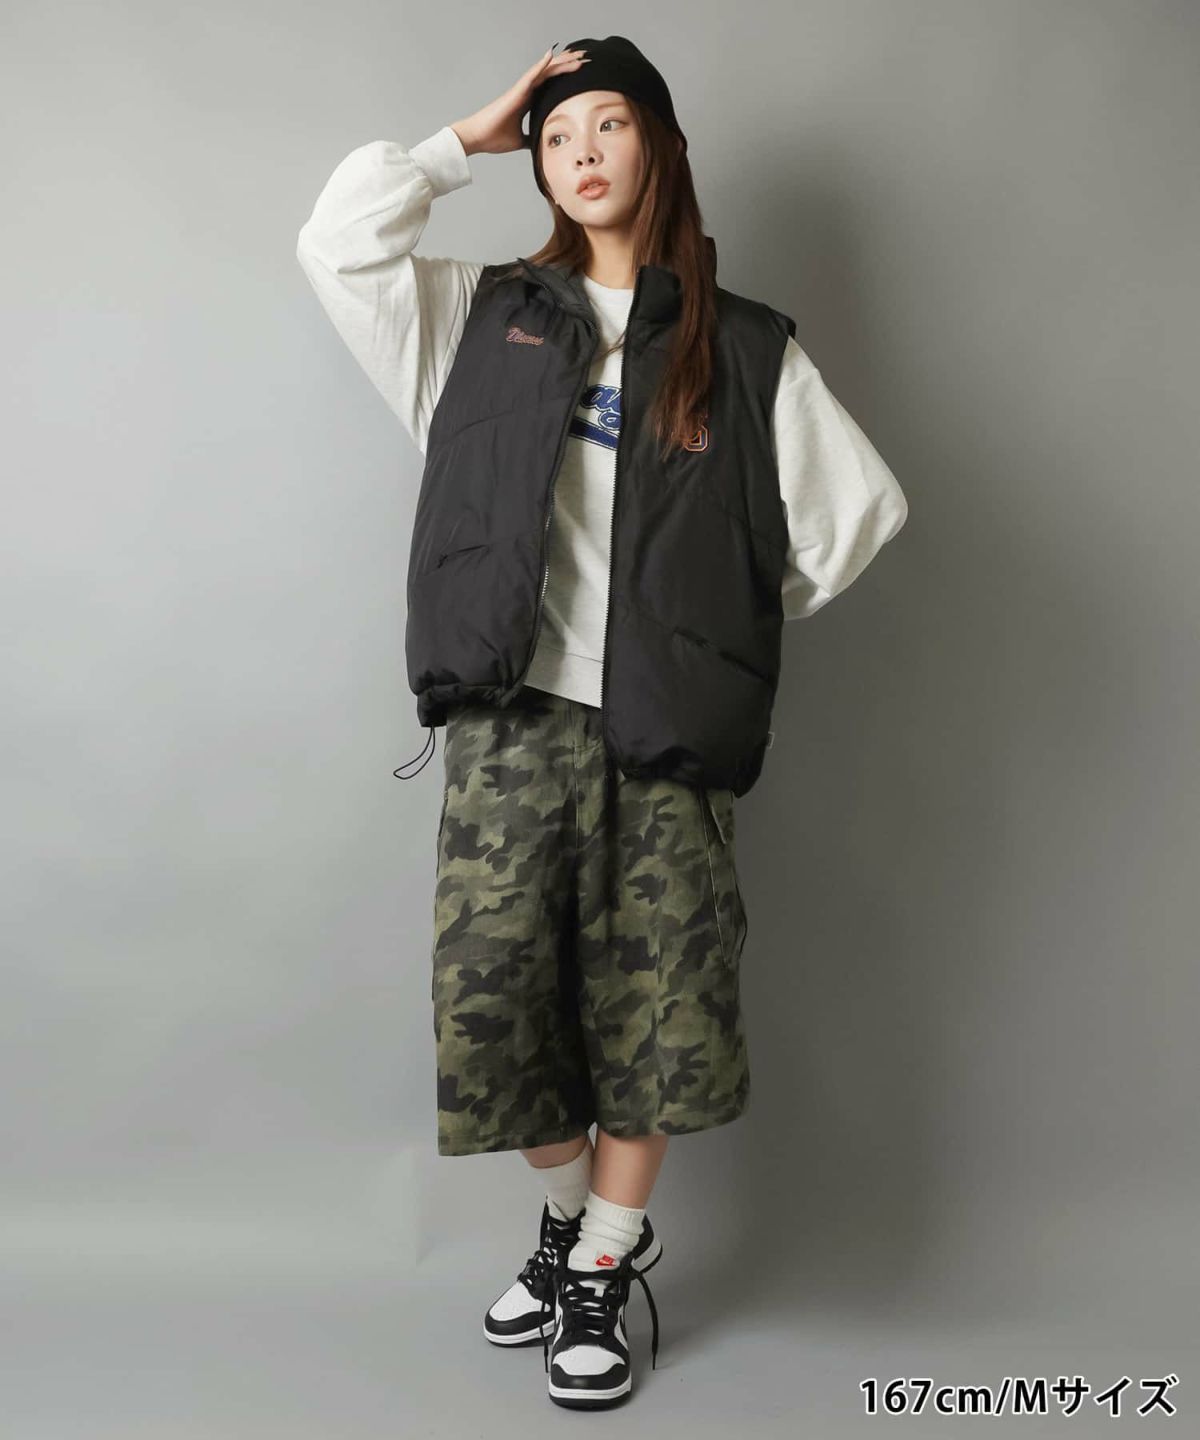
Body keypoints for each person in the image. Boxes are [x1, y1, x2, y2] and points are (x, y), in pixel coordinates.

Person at [296, 34, 908, 1411]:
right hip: (509, 726)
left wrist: (708, 626)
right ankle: (574, 1221)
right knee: (496, 1011)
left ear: (661, 147)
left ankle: (603, 1261)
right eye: (559, 133)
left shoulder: (741, 348)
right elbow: (337, 244)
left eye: (609, 125)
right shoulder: (478, 317)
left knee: (657, 1013)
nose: (580, 152)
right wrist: (468, 137)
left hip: (661, 738)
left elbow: (854, 518)